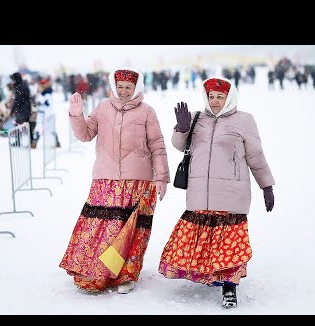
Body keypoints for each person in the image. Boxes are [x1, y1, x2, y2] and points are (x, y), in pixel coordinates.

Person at [158, 77, 275, 309]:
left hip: (232, 191)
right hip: (200, 190)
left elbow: (256, 157)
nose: (215, 101)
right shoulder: (196, 118)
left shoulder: (244, 121)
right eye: (211, 97)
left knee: (228, 243)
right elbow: (178, 144)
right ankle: (209, 274)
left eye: (220, 97)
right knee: (204, 238)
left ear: (230, 98)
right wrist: (182, 128)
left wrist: (266, 186)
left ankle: (229, 287)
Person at [59, 68, 170, 294]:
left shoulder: (147, 112)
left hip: (138, 181)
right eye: (120, 87)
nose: (124, 91)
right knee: (102, 228)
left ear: (137, 88)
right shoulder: (102, 108)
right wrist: (77, 116)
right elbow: (85, 135)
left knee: (130, 232)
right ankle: (99, 271)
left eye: (128, 88)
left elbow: (157, 145)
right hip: (105, 179)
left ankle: (126, 275)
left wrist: (162, 177)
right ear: (114, 87)